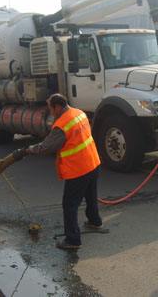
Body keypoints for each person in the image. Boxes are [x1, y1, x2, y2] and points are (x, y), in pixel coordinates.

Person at [25, 93, 102, 250]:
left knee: (69, 205)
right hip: (92, 162)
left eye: (51, 108)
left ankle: (73, 240)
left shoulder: (62, 124)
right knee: (90, 195)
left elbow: (47, 147)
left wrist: (29, 150)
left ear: (57, 107)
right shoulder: (79, 113)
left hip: (78, 168)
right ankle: (95, 221)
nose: (51, 112)